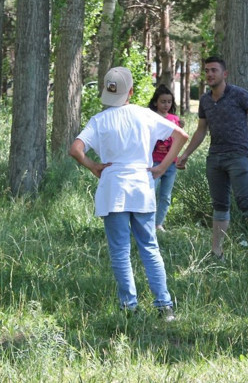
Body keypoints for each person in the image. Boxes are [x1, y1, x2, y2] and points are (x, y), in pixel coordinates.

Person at [69, 67, 188, 319]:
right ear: (130, 92)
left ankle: (129, 307)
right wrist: (162, 167)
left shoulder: (99, 120)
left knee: (120, 251)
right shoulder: (144, 114)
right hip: (141, 186)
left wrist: (93, 167)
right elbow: (181, 135)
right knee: (149, 247)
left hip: (113, 188)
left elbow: (75, 149)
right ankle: (164, 306)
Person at [175, 56, 248, 266]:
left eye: (214, 70)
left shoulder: (239, 94)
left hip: (238, 155)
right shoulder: (204, 100)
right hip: (215, 158)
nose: (210, 74)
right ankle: (216, 252)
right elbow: (201, 130)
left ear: (224, 74)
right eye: (207, 71)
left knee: (246, 201)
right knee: (219, 205)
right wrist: (185, 154)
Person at [148, 85, 183, 232]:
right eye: (163, 101)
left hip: (171, 164)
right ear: (156, 102)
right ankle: (147, 222)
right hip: (154, 162)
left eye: (169, 102)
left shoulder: (175, 119)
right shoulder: (150, 117)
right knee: (150, 193)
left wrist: (180, 158)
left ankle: (158, 224)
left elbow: (179, 141)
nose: (166, 105)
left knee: (165, 196)